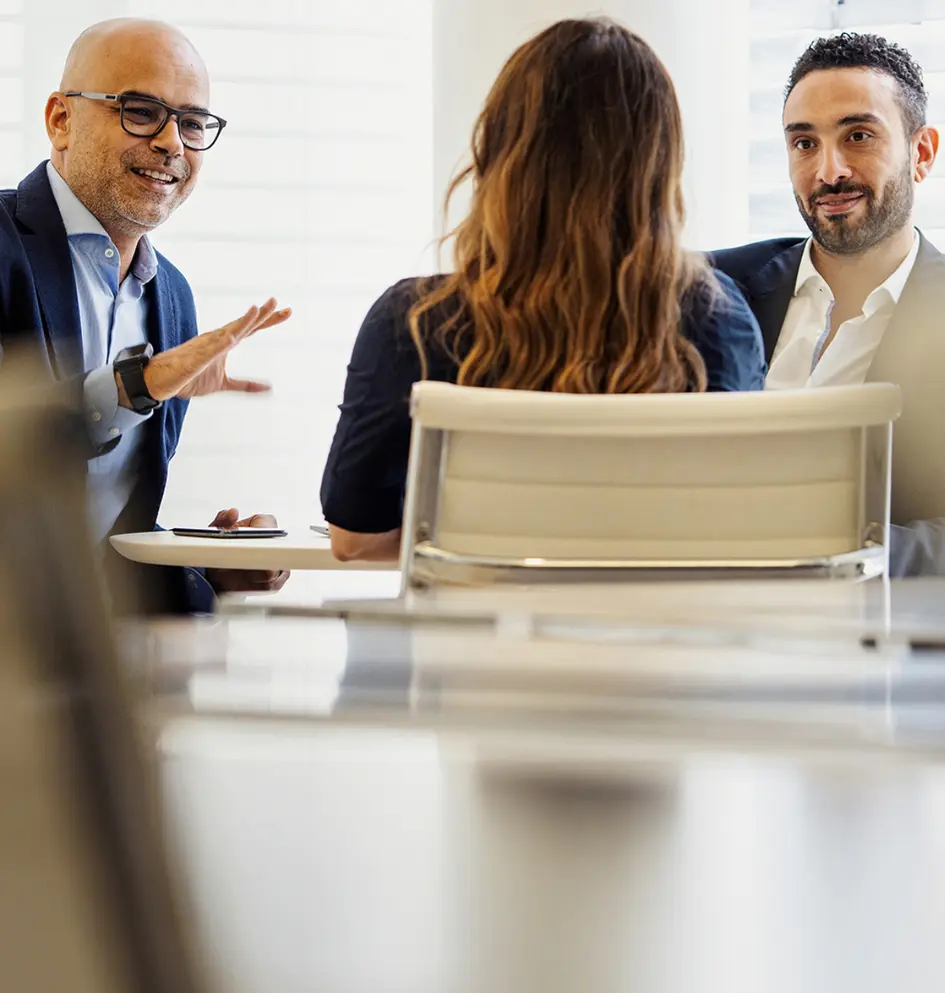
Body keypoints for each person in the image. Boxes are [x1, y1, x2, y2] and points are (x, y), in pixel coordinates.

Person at [320, 17, 766, 563]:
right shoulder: (719, 318)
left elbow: (356, 540)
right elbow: (739, 528)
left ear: (500, 154)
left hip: (478, 643)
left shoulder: (411, 321)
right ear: (659, 166)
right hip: (665, 642)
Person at [0, 18, 292, 613]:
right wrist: (139, 384)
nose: (171, 143)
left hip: (98, 667)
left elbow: (102, 539)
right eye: (140, 110)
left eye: (191, 122)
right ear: (61, 120)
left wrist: (210, 570)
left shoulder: (173, 298)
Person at [712, 33, 945, 576]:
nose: (828, 172)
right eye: (804, 144)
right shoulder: (706, 287)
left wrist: (810, 546)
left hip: (871, 638)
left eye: (858, 136)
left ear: (922, 153)